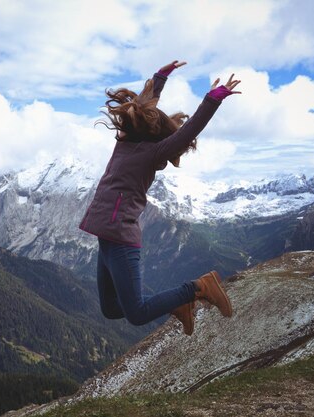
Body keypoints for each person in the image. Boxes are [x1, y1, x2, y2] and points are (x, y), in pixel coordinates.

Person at [79, 60, 240, 336]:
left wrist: (213, 99)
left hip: (120, 237)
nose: (123, 122)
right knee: (110, 308)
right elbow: (141, 107)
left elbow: (190, 131)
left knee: (138, 313)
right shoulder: (126, 141)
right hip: (105, 236)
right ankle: (178, 304)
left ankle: (199, 287)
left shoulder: (153, 154)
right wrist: (159, 77)